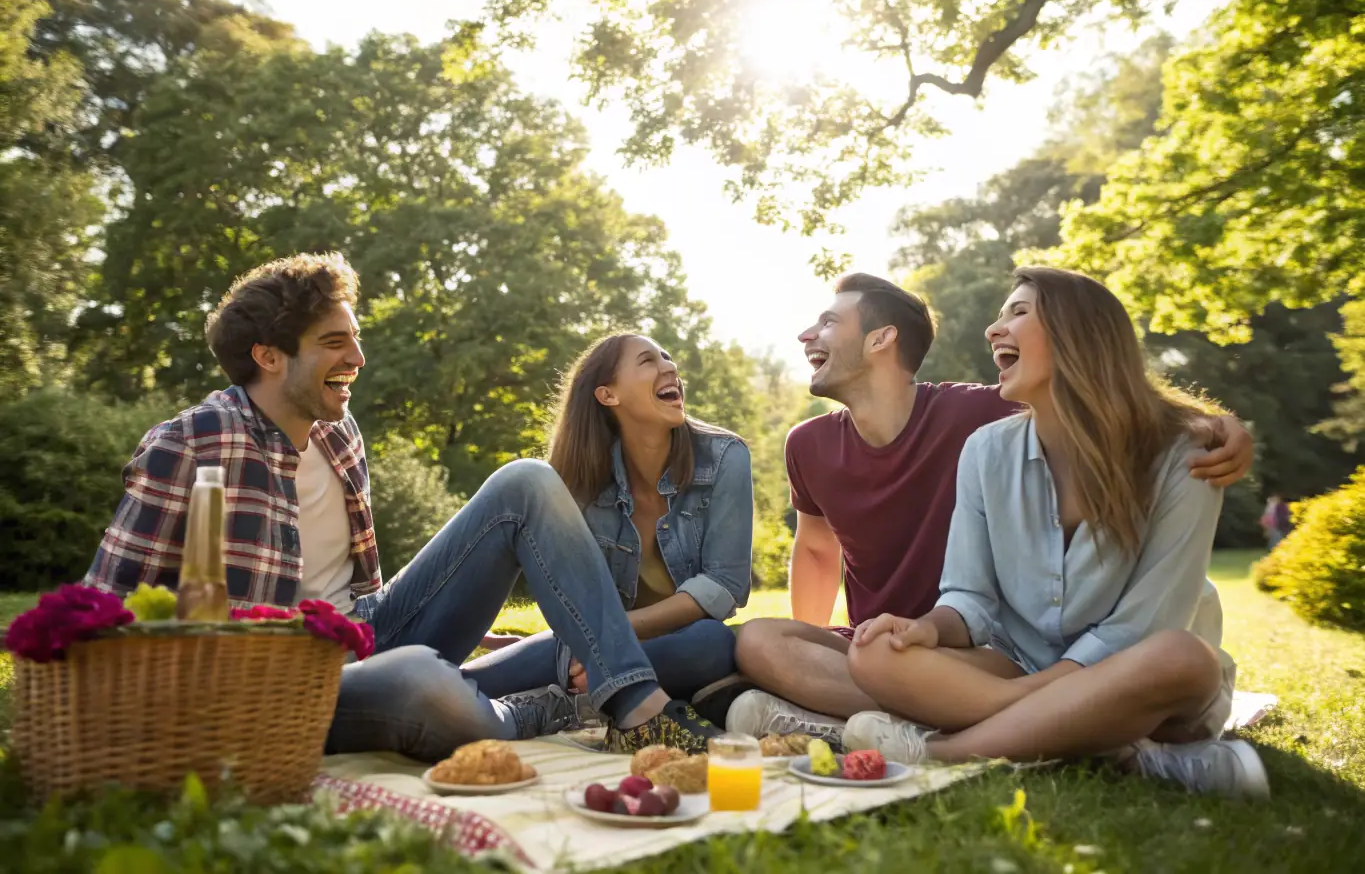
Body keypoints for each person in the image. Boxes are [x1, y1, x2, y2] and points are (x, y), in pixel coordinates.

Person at [85, 253, 726, 760]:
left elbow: (359, 591)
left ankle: (634, 704)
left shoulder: (338, 433)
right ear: (269, 356)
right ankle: (545, 707)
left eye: (355, 340)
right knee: (423, 682)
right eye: (335, 343)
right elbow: (103, 608)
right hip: (278, 684)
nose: (357, 360)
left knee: (530, 486)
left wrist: (453, 622)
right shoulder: (191, 444)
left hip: (368, 636)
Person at [723, 272, 1255, 754]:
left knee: (1180, 658)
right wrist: (922, 631)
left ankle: (935, 748)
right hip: (985, 660)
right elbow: (946, 590)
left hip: (1114, 667)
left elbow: (1141, 625)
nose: (992, 329)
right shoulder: (982, 446)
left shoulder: (1182, 455)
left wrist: (1221, 424)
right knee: (804, 645)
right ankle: (1067, 735)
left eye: (1017, 312)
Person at [462, 332, 754, 730]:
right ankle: (591, 698)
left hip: (673, 643)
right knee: (456, 687)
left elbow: (725, 585)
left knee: (714, 645)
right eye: (647, 361)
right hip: (583, 646)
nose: (670, 367)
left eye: (667, 357)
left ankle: (574, 700)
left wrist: (613, 642)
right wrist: (593, 645)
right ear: (607, 395)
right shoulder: (576, 477)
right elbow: (562, 589)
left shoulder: (724, 458)